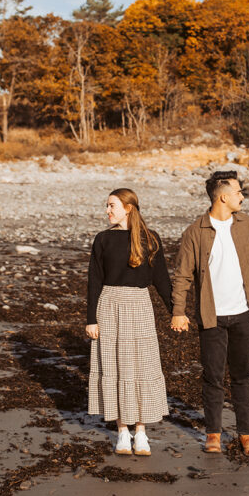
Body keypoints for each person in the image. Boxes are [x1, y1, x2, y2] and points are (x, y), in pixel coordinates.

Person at [170, 170, 249, 457]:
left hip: (243, 313)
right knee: (212, 376)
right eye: (238, 192)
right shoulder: (195, 232)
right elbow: (182, 276)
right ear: (223, 197)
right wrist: (178, 311)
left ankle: (246, 436)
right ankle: (213, 434)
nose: (242, 196)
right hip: (211, 316)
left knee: (243, 376)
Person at [86, 188, 172, 456]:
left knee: (141, 367)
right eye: (107, 205)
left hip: (140, 306)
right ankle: (122, 432)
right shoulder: (102, 240)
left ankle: (141, 433)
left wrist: (177, 311)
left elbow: (162, 280)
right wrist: (91, 319)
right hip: (109, 305)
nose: (107, 211)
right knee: (114, 367)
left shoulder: (150, 239)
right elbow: (94, 281)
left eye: (112, 205)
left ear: (128, 208)